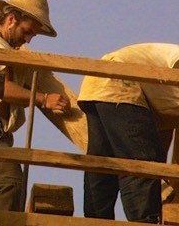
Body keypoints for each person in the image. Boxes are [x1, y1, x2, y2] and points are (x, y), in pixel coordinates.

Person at [0, 0, 71, 212]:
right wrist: (43, 99)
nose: (29, 39)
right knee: (9, 184)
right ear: (11, 20)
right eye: (27, 31)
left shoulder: (3, 49)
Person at [77, 43, 179, 223]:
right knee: (141, 161)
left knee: (103, 162)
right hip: (121, 81)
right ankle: (143, 222)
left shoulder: (167, 97)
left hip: (99, 83)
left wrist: (160, 169)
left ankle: (96, 221)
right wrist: (153, 166)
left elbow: (163, 134)